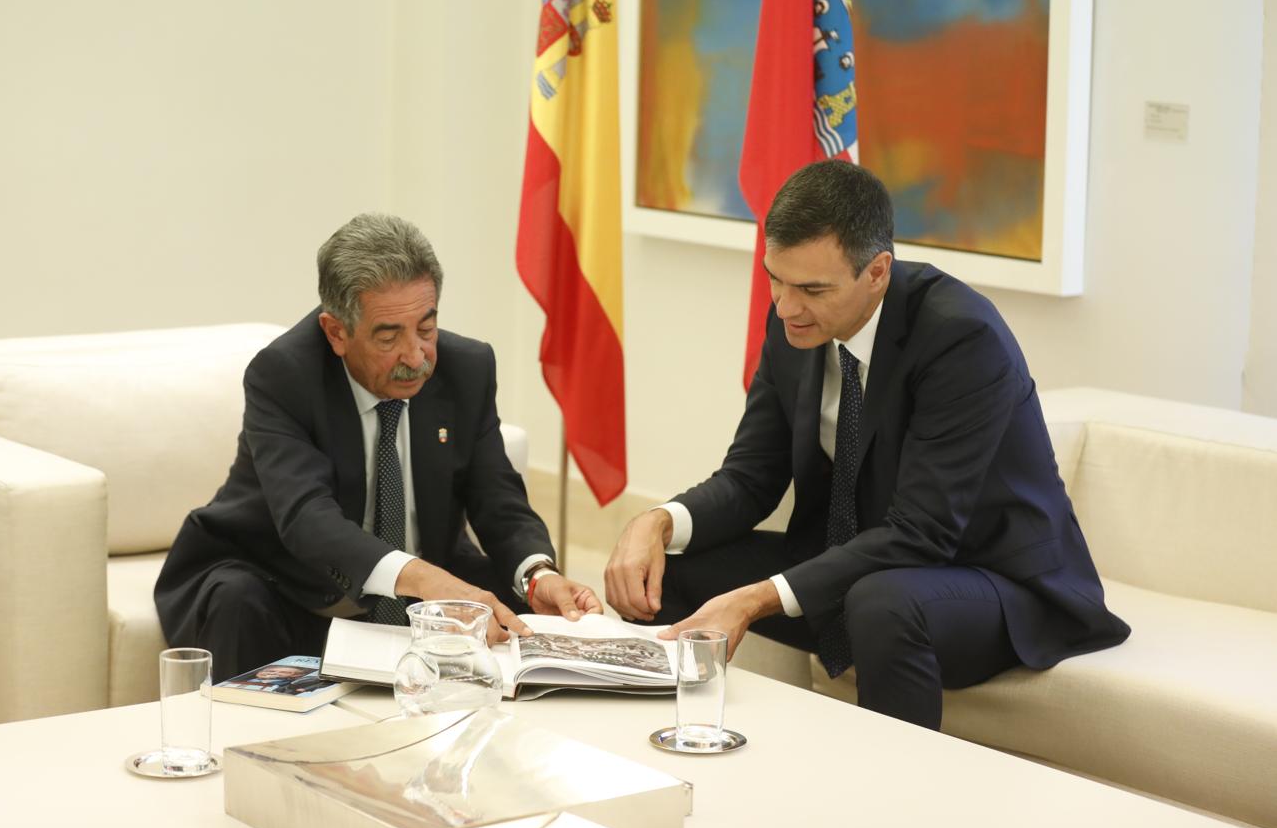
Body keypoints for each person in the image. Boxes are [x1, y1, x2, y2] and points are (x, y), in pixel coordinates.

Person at [604, 160, 1129, 729]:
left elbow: (921, 532)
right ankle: (681, 749)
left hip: (991, 580)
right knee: (673, 567)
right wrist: (656, 522)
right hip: (860, 563)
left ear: (877, 271)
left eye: (811, 288)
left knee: (881, 602)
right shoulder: (794, 323)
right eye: (774, 279)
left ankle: (893, 802)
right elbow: (751, 478)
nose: (785, 307)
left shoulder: (960, 336)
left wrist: (755, 598)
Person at [156, 213, 600, 679]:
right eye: (389, 337)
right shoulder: (284, 375)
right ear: (336, 332)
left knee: (520, 617)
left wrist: (537, 577)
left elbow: (498, 498)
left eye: (426, 329)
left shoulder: (466, 368)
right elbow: (308, 519)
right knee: (239, 601)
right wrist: (428, 580)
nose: (415, 356)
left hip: (422, 587)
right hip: (282, 577)